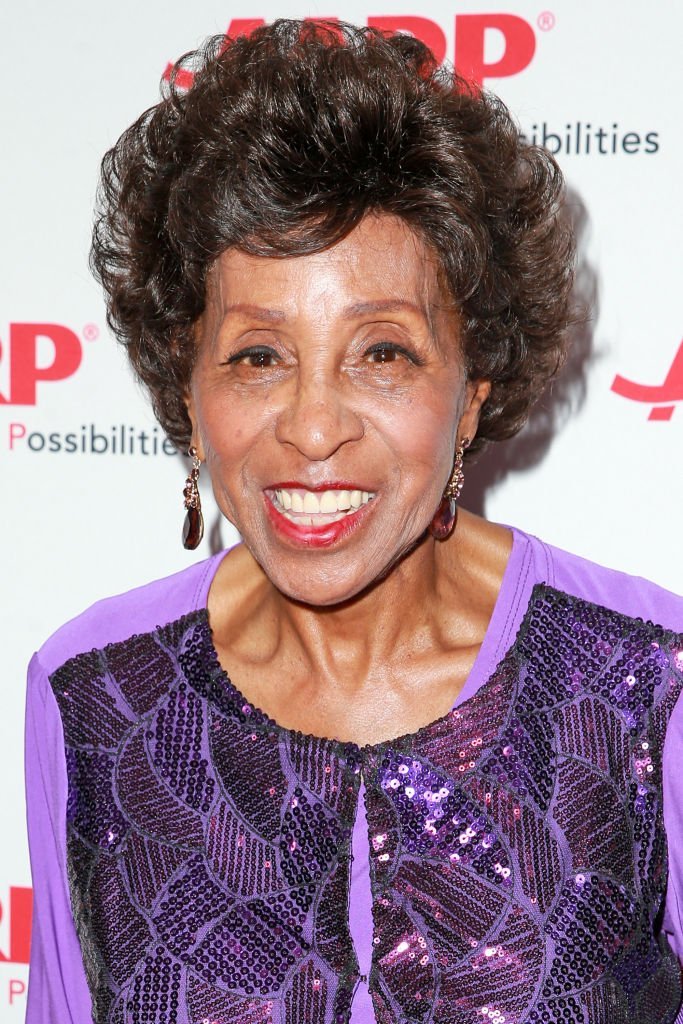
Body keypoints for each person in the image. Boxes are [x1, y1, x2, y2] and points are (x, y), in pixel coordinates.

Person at [24, 19, 683, 1024]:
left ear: (468, 395)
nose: (315, 427)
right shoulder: (98, 697)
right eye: (257, 356)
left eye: (382, 353)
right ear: (186, 389)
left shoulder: (645, 685)